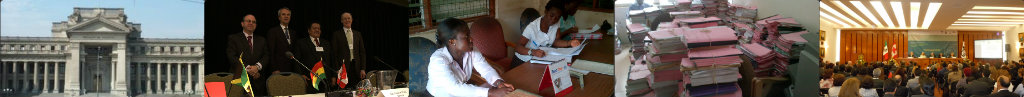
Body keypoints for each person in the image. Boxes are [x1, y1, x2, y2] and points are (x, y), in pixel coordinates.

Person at [426, 18, 515, 97]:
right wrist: (490, 93)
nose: (471, 39)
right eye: (466, 36)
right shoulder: (438, 60)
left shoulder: (471, 51)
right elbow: (454, 88)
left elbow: (486, 69)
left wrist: (499, 83)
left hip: (461, 91)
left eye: (469, 34)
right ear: (452, 42)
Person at [513, 0, 581, 66]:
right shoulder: (532, 27)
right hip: (523, 61)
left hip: (540, 60)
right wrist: (533, 52)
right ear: (546, 11)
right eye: (551, 15)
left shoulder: (556, 23)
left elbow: (555, 41)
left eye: (557, 18)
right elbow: (518, 47)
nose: (553, 20)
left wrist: (569, 43)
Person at [226, 14, 271, 96]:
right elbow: (232, 57)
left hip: (258, 81)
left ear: (256, 25)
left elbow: (266, 56)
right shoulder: (233, 38)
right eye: (248, 21)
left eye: (253, 22)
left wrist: (257, 67)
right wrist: (249, 69)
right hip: (240, 80)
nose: (251, 23)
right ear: (242, 24)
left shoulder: (262, 40)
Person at [330, 12, 366, 89]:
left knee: (357, 90)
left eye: (349, 18)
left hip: (356, 67)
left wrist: (363, 68)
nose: (347, 20)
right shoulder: (337, 34)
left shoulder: (358, 34)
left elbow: (362, 52)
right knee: (344, 91)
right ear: (341, 21)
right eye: (345, 19)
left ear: (352, 20)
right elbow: (334, 54)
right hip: (343, 69)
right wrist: (337, 69)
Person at [293, 22, 331, 92]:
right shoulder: (301, 43)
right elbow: (296, 61)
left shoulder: (326, 43)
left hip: (325, 80)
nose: (317, 30)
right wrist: (300, 75)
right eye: (314, 28)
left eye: (318, 29)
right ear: (309, 30)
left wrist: (333, 76)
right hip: (309, 79)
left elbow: (330, 60)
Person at [267, 7, 298, 75]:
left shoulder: (293, 33)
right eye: (283, 14)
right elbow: (271, 52)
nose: (286, 16)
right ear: (279, 17)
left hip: (291, 70)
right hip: (278, 70)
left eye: (288, 14)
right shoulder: (273, 31)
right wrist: (274, 69)